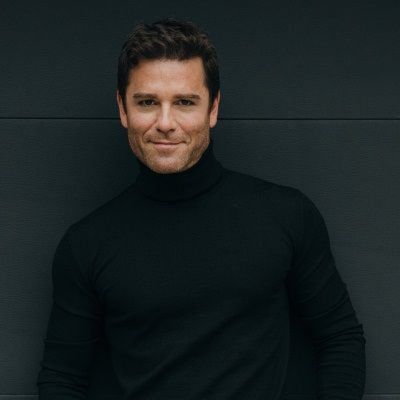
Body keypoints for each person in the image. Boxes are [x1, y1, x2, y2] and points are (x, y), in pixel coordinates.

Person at [36, 17, 366, 400]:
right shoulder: (86, 244)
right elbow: (62, 379)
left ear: (213, 109)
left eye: (184, 102)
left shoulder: (287, 215)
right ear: (123, 108)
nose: (165, 123)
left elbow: (340, 338)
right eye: (147, 102)